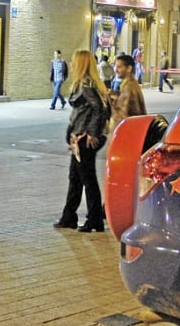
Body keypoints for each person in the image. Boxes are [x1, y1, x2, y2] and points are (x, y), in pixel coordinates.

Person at [54, 49, 110, 233]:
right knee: (76, 178)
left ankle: (94, 220)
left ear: (81, 64)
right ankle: (69, 216)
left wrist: (92, 133)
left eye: (73, 61)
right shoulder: (89, 84)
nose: (70, 64)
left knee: (87, 179)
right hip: (79, 138)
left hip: (83, 139)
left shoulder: (87, 85)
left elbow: (99, 109)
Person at [110, 54, 147, 131]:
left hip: (127, 132)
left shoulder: (129, 87)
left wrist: (112, 104)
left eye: (119, 67)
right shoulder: (131, 84)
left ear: (129, 68)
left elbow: (122, 116)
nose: (116, 70)